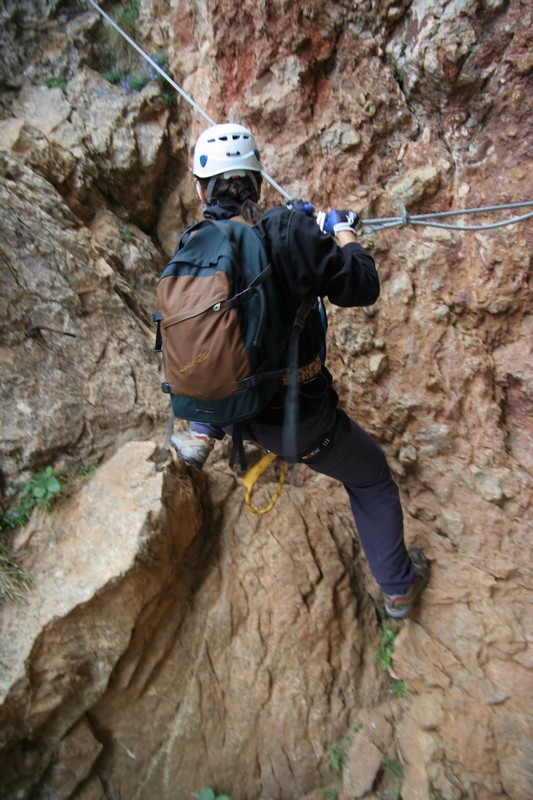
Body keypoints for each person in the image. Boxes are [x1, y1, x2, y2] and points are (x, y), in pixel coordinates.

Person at [170, 122, 429, 619]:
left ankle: (202, 431)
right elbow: (363, 284)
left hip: (229, 408)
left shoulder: (192, 245)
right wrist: (344, 232)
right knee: (371, 478)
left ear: (202, 191)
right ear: (257, 181)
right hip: (295, 423)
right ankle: (399, 590)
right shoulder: (289, 230)